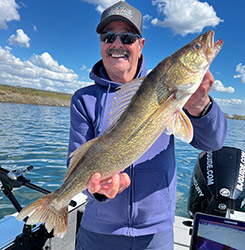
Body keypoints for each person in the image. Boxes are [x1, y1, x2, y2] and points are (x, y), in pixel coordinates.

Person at [67, 1, 227, 249]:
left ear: (140, 46)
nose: (117, 44)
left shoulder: (172, 91)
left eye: (128, 37)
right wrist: (99, 190)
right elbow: (76, 165)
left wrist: (200, 106)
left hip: (156, 235)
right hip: (98, 232)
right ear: (101, 45)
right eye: (109, 37)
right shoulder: (83, 100)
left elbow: (213, 143)